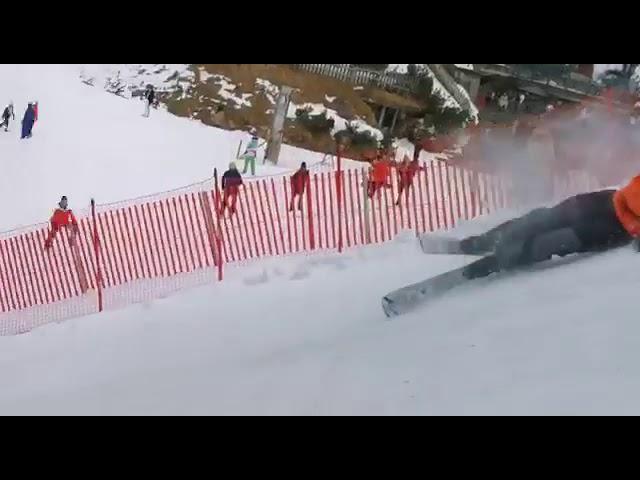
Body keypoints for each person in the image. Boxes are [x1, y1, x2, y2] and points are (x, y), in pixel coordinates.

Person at [457, 176, 640, 280]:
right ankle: (490, 239)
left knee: (552, 242)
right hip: (604, 201)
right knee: (543, 218)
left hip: (612, 228)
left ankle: (494, 263)